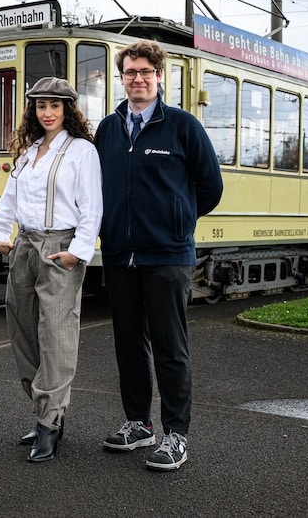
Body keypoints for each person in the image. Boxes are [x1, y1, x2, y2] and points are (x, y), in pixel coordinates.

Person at [95, 39, 222, 471]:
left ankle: (176, 435)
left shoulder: (183, 126)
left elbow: (210, 188)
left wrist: (177, 222)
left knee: (171, 348)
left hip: (167, 256)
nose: (138, 79)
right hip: (119, 256)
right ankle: (138, 424)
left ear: (160, 76)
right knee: (128, 344)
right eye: (130, 72)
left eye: (146, 72)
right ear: (121, 77)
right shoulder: (108, 129)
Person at [0, 77, 103, 463]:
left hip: (60, 248)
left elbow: (92, 208)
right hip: (24, 246)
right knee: (22, 330)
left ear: (67, 110)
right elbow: (8, 199)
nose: (48, 113)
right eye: (41, 106)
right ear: (33, 111)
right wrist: (0, 234)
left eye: (55, 106)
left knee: (56, 335)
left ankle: (50, 422)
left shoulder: (82, 151)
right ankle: (44, 411)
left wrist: (78, 252)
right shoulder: (28, 152)